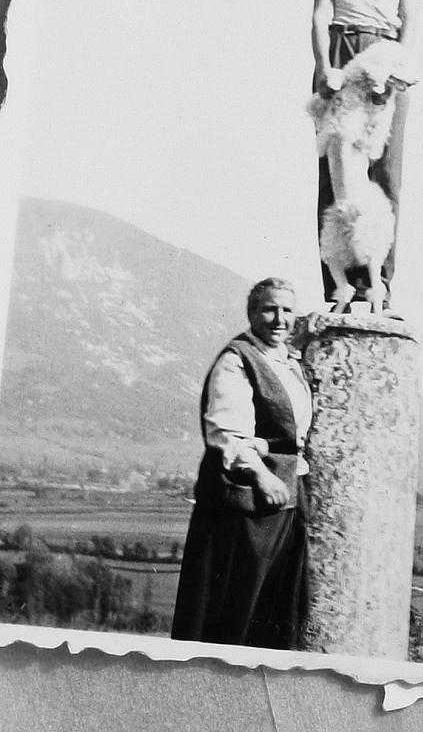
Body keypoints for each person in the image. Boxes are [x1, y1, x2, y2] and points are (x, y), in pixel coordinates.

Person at [171, 277, 313, 649]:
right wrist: (262, 476)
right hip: (246, 504)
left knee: (274, 609)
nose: (279, 318)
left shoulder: (285, 359)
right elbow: (225, 434)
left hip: (285, 501)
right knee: (233, 609)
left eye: (287, 310)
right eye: (269, 309)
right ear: (251, 313)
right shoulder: (236, 360)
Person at [305, 0, 420, 316]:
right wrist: (325, 68)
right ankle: (338, 284)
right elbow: (318, 16)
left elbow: (410, 20)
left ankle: (380, 285)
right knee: (336, 175)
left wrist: (397, 69)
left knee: (385, 173)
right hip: (342, 48)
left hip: (384, 56)